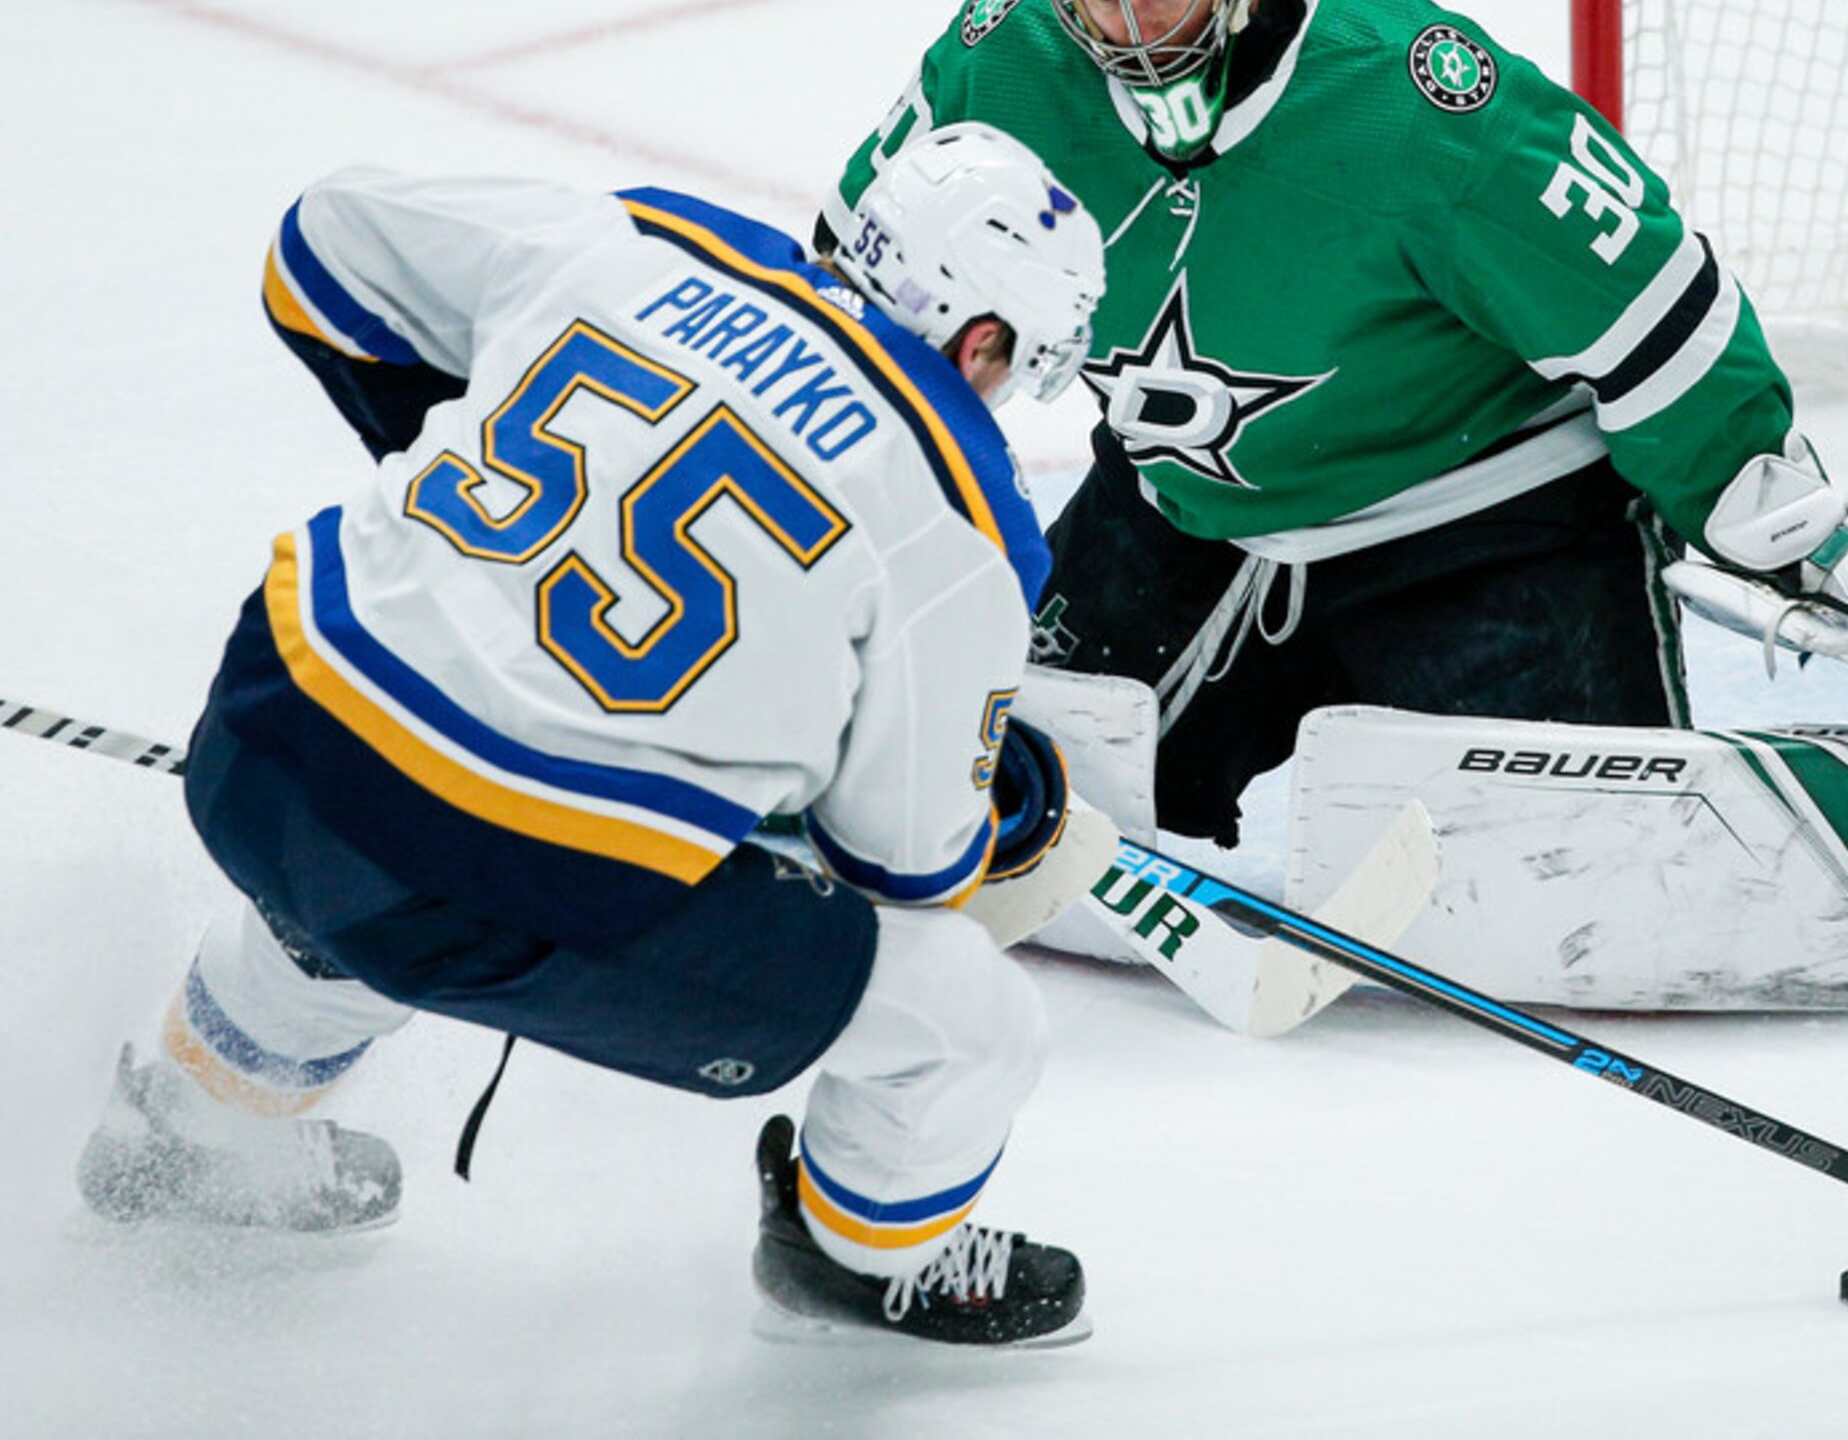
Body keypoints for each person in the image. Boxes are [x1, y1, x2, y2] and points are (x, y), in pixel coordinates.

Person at [77, 124, 1115, 1350]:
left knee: (375, 812)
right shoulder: (961, 526)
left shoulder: (642, 242)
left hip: (269, 726)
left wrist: (470, 526)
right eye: (1013, 367)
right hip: (493, 876)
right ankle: (860, 1257)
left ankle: (194, 1137)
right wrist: (973, 795)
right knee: (962, 1021)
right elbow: (898, 868)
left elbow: (325, 239)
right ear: (981, 340)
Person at [833, 0, 1848, 854]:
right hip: (1181, 517)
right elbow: (858, 280)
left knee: (1585, 875)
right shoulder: (997, 63)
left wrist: (1789, 534)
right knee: (977, 803)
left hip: (1485, 528)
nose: (1134, 30)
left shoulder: (1415, 101)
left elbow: (1656, 312)